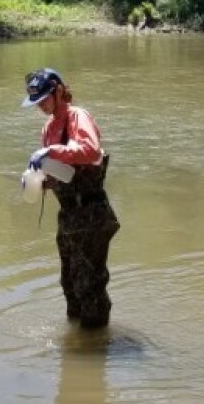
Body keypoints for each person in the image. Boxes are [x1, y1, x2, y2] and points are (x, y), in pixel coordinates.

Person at [22, 68, 120, 328]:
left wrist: (51, 150)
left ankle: (95, 348)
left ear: (59, 91)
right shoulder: (48, 128)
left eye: (44, 99)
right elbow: (61, 176)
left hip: (92, 213)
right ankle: (76, 345)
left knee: (89, 285)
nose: (41, 106)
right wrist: (38, 181)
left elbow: (89, 151)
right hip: (68, 216)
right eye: (36, 102)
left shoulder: (78, 116)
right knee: (69, 284)